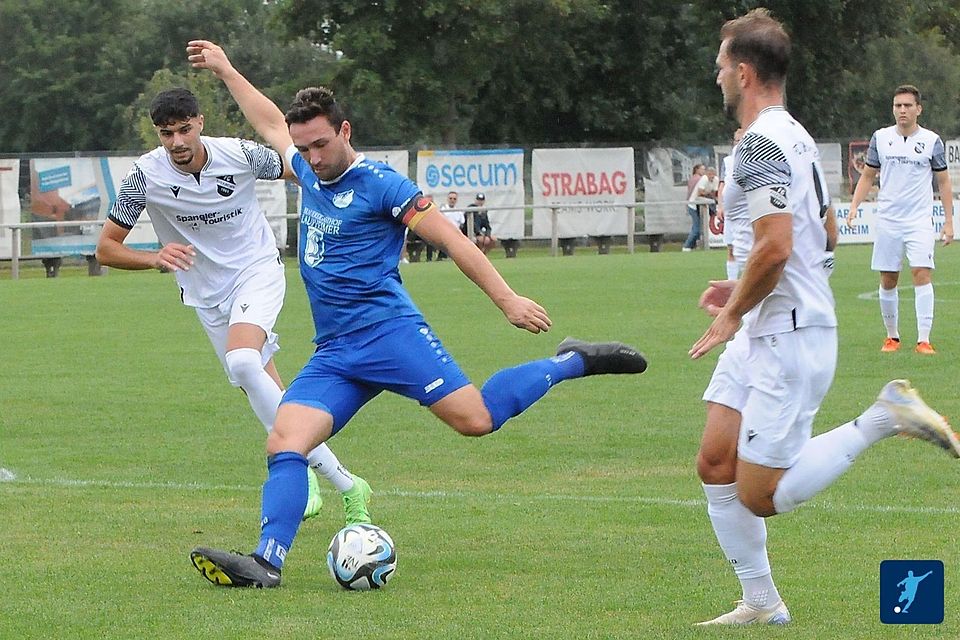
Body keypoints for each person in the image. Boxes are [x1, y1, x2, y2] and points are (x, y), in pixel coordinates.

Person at [184, 40, 647, 588]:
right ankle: (267, 562)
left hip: (390, 335)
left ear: (346, 131)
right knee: (285, 440)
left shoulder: (383, 186)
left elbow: (452, 240)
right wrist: (230, 71)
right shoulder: (308, 169)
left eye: (322, 145)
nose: (312, 158)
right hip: (336, 352)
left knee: (474, 420)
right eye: (304, 149)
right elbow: (269, 124)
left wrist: (507, 300)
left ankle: (571, 361)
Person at [691, 9, 958, 626]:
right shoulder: (798, 138)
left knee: (760, 495)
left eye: (721, 65)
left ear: (744, 71)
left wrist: (737, 308)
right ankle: (761, 603)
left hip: (785, 338)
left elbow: (780, 245)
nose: (717, 75)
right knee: (714, 460)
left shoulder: (760, 143)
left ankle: (884, 417)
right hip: (770, 325)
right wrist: (753, 289)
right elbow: (826, 233)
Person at [95, 88, 372, 527]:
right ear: (158, 134)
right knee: (261, 384)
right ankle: (345, 483)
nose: (177, 142)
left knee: (243, 362)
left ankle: (311, 468)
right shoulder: (143, 178)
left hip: (256, 271)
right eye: (167, 134)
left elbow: (302, 169)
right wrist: (154, 257)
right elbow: (106, 249)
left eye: (185, 130)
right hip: (206, 294)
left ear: (200, 123)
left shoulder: (240, 155)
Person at [846, 84, 954, 355]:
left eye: (907, 105)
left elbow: (943, 181)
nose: (902, 110)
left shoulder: (931, 140)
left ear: (919, 109)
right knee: (888, 278)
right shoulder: (881, 138)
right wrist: (854, 205)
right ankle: (892, 337)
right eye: (897, 106)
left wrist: (950, 221)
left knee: (921, 272)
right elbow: (868, 176)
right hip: (888, 220)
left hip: (918, 220)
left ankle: (924, 340)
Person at [716, 128, 745, 279]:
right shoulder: (728, 161)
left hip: (748, 212)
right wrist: (721, 206)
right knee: (731, 247)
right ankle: (731, 282)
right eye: (736, 140)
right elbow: (722, 185)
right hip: (731, 212)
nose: (738, 144)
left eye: (742, 140)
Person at [683, 166, 719, 251]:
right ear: (707, 174)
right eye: (709, 174)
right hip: (694, 205)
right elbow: (700, 192)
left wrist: (715, 199)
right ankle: (686, 246)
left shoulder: (716, 180)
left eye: (713, 175)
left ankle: (692, 246)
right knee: (696, 228)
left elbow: (713, 193)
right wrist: (709, 193)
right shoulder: (704, 179)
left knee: (699, 229)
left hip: (703, 205)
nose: (711, 177)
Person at [436, 191, 461, 260]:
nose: (452, 200)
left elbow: (462, 223)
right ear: (447, 199)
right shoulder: (442, 210)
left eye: (454, 199)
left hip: (457, 233)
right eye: (450, 198)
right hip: (444, 233)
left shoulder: (459, 211)